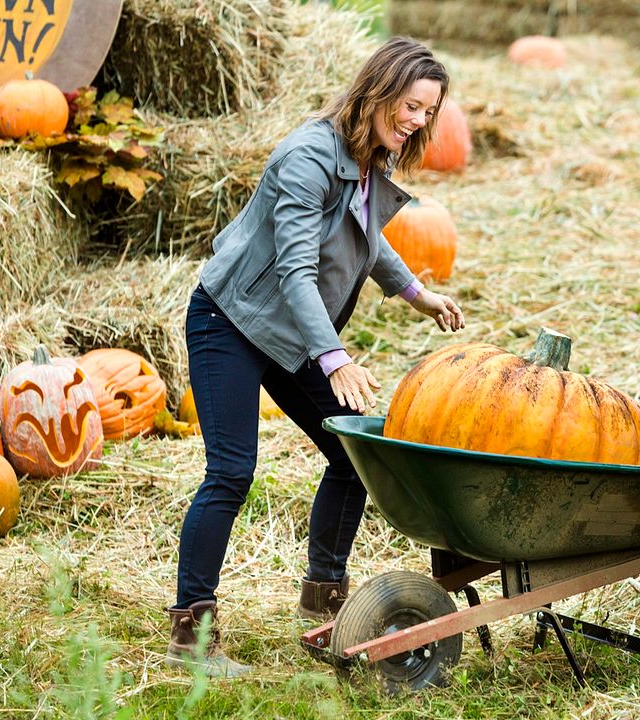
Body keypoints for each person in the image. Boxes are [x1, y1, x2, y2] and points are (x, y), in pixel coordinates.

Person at [166, 37, 466, 677]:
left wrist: (416, 293)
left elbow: (366, 237)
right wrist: (335, 356)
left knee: (354, 453)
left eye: (426, 113)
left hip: (292, 333)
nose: (416, 122)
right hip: (233, 322)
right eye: (410, 106)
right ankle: (191, 635)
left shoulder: (363, 159)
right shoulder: (308, 157)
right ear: (378, 90)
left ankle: (323, 596)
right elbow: (296, 271)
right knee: (231, 472)